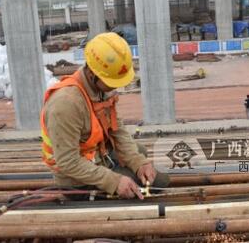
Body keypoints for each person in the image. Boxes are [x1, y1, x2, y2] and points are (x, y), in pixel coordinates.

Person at [41, 32, 168, 199]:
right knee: (153, 187)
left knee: (142, 156)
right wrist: (113, 181)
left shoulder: (101, 89)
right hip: (75, 177)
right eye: (112, 82)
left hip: (99, 156)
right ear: (93, 74)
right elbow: (68, 162)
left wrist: (138, 162)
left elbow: (117, 130)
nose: (115, 87)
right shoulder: (66, 104)